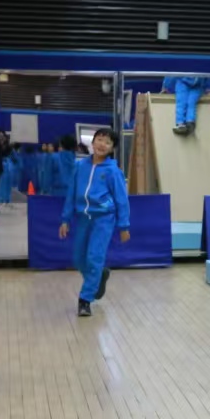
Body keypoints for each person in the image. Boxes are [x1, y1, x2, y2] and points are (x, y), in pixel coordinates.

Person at [58, 127, 130, 316]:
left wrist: (123, 226)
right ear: (92, 142)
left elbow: (122, 199)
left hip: (104, 220)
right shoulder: (80, 166)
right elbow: (71, 193)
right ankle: (98, 277)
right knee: (79, 259)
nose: (102, 144)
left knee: (94, 257)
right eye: (99, 139)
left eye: (107, 142)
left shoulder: (113, 171)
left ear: (112, 148)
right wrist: (65, 219)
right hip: (83, 218)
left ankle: (85, 300)